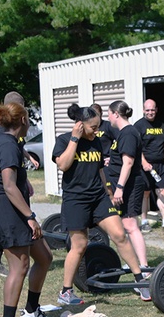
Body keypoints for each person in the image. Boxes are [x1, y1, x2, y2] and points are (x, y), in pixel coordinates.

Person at [53, 103, 151, 305]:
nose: (97, 131)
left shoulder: (97, 142)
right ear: (80, 125)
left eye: (98, 126)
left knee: (120, 235)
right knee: (79, 246)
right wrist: (75, 138)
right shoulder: (64, 140)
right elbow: (63, 164)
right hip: (76, 200)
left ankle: (140, 280)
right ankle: (66, 291)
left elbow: (99, 170)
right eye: (93, 127)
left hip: (98, 197)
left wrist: (109, 191)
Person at [0, 100, 55, 317]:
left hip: (12, 210)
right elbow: (9, 186)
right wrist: (31, 217)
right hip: (6, 211)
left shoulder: (9, 143)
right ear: (22, 120)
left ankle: (32, 311)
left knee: (44, 257)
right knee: (20, 266)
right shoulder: (7, 145)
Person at [0, 91, 39, 277]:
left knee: (40, 255)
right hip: (0, 181)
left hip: (8, 176)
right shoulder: (1, 131)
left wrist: (24, 178)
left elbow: (17, 151)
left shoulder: (13, 134)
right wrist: (30, 215)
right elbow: (6, 158)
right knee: (7, 218)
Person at [104, 100, 148, 271]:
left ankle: (143, 266)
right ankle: (135, 262)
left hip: (129, 186)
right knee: (126, 225)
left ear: (116, 113)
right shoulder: (122, 133)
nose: (108, 118)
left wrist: (120, 188)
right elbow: (122, 159)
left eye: (109, 114)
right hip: (122, 184)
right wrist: (112, 160)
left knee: (130, 226)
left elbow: (128, 163)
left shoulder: (129, 133)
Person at [133, 99, 164, 229]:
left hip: (161, 165)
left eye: (152, 110)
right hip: (145, 166)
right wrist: (143, 162)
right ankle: (144, 221)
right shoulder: (138, 126)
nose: (150, 112)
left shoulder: (161, 125)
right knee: (145, 193)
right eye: (147, 110)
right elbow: (136, 147)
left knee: (163, 192)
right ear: (143, 110)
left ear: (156, 110)